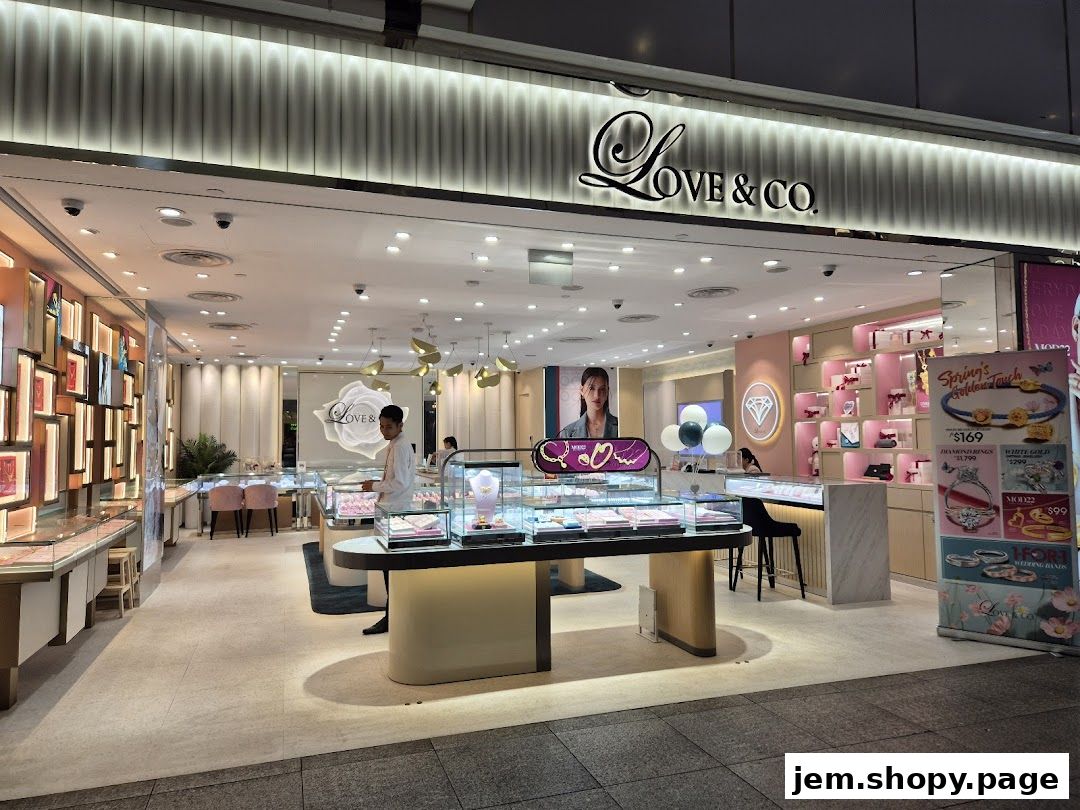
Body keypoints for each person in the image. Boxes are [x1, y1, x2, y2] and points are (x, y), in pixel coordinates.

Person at [360, 405, 415, 635]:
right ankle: (392, 616)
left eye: (388, 426)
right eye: (381, 426)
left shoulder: (400, 447)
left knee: (391, 568)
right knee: (388, 568)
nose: (384, 430)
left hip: (396, 513)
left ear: (400, 425)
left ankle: (392, 618)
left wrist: (373, 486)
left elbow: (400, 483)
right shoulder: (395, 444)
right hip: (391, 511)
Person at [557, 367, 619, 439]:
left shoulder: (621, 426)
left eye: (602, 389)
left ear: (607, 391)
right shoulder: (568, 433)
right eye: (591, 388)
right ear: (582, 390)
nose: (597, 395)